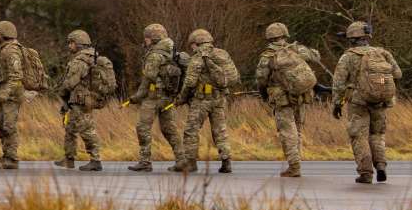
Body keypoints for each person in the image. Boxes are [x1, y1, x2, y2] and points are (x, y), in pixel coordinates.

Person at [331, 20, 402, 185]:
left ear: (352, 38)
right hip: (381, 102)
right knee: (377, 134)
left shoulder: (348, 56)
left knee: (358, 136)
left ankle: (366, 173)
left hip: (358, 103)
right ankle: (381, 165)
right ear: (367, 36)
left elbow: (339, 83)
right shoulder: (383, 53)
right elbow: (397, 74)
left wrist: (337, 104)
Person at [251, 21, 326, 179]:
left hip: (281, 99)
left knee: (287, 131)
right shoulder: (296, 49)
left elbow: (261, 79)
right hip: (301, 95)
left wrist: (264, 94)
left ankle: (294, 166)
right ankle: (296, 161)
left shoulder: (267, 56)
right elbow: (316, 56)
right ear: (285, 35)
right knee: (297, 129)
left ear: (269, 38)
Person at [177, 28, 238, 174]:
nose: (191, 48)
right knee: (220, 130)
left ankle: (191, 163)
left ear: (196, 43)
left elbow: (190, 82)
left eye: (192, 45)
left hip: (201, 100)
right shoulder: (222, 54)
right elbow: (233, 76)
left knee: (191, 131)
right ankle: (226, 161)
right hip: (220, 99)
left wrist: (182, 98)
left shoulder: (198, 57)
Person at [126, 23, 184, 172]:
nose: (145, 41)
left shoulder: (155, 54)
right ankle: (182, 160)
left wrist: (137, 96)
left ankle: (145, 162)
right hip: (168, 97)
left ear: (154, 38)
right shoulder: (172, 51)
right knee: (169, 128)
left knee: (142, 127)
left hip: (153, 97)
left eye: (147, 38)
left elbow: (149, 77)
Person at [57, 29, 104, 171]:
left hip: (81, 100)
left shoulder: (80, 60)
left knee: (86, 129)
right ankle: (69, 158)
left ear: (79, 44)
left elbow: (70, 82)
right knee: (71, 128)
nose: (69, 46)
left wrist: (61, 91)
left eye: (71, 43)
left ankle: (96, 160)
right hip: (82, 98)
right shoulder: (91, 57)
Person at [0, 19, 26, 169]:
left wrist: (5, 92)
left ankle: (12, 158)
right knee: (1, 126)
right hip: (5, 93)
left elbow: (17, 76)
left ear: (5, 34)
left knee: (9, 126)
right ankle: (6, 156)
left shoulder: (11, 51)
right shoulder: (3, 49)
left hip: (12, 95)